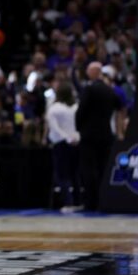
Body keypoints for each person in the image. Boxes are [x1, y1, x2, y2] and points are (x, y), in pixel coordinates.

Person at [75, 62, 124, 211]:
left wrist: (79, 128)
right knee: (103, 169)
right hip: (106, 135)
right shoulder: (110, 90)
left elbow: (81, 112)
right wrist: (119, 130)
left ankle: (91, 202)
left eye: (89, 71)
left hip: (89, 135)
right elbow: (121, 107)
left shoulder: (89, 89)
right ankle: (103, 200)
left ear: (95, 72)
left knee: (88, 169)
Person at [45, 81, 81, 212]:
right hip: (75, 142)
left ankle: (69, 202)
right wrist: (75, 137)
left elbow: (54, 128)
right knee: (74, 173)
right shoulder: (76, 107)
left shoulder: (54, 108)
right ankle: (77, 201)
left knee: (63, 174)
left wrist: (67, 138)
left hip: (62, 143)